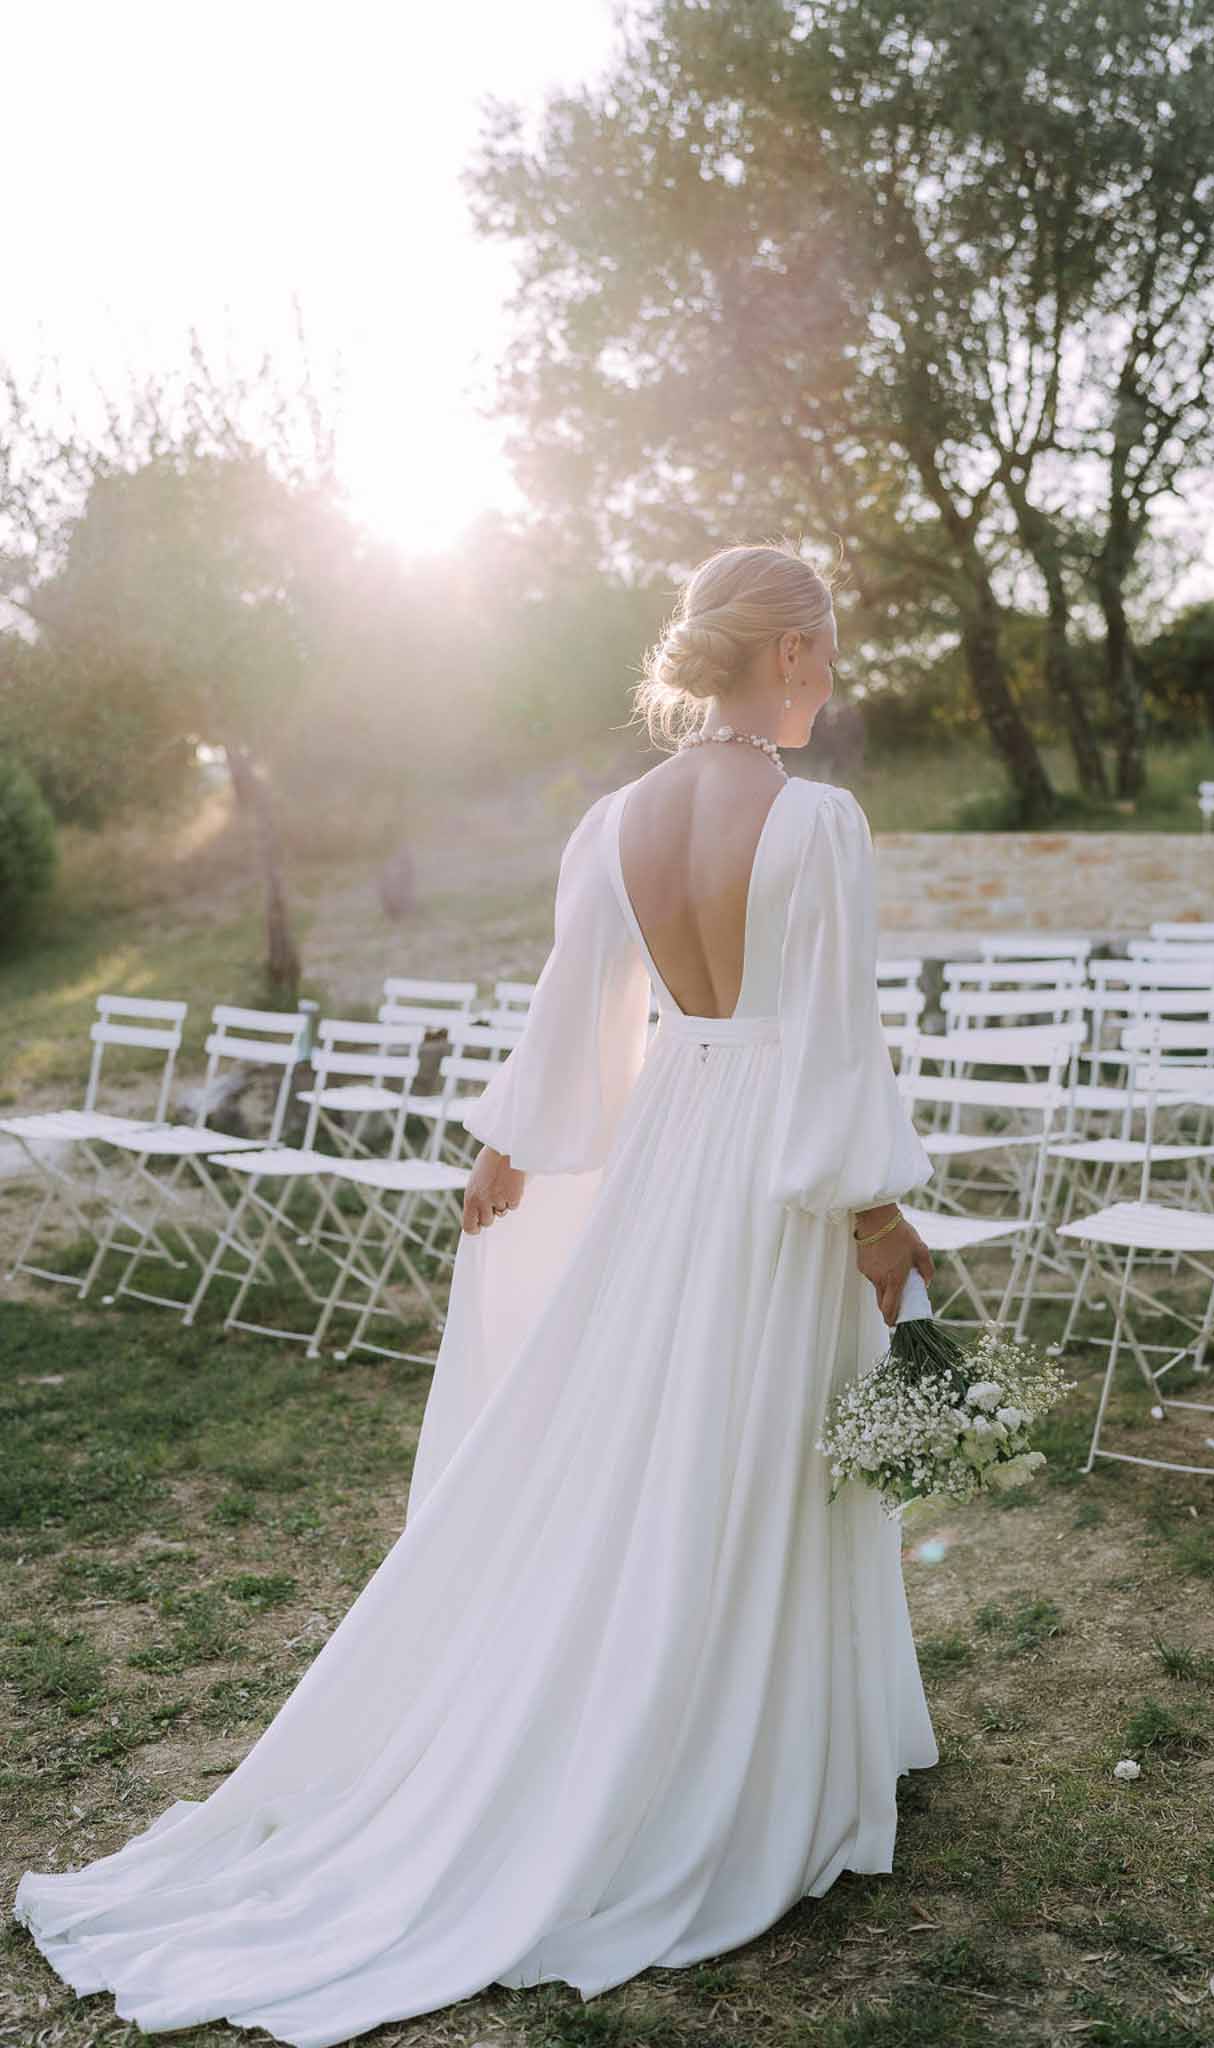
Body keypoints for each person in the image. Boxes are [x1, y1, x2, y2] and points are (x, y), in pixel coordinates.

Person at [12, 540, 940, 2048]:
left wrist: (511, 1146)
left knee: (666, 1431)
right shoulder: (817, 823)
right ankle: (742, 1754)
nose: (829, 679)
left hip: (670, 1154)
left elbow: (579, 1007)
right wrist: (879, 1210)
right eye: (823, 651)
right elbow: (834, 1038)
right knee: (766, 1442)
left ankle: (685, 1704)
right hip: (776, 1168)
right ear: (785, 653)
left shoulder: (615, 821)